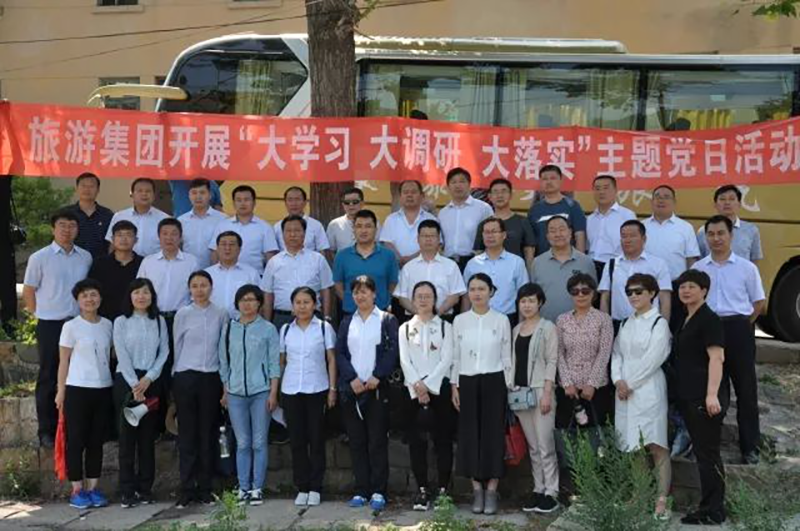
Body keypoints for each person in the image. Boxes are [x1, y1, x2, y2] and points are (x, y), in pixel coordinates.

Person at [692, 215, 766, 464]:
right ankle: (709, 445)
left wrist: (743, 324)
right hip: (709, 330)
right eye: (711, 234)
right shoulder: (698, 269)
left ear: (731, 236)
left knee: (746, 390)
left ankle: (750, 447)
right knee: (711, 388)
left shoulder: (747, 268)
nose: (716, 239)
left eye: (720, 233)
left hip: (738, 329)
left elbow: (758, 303)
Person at [23, 209, 92, 447]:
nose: (67, 230)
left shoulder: (85, 257)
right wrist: (39, 315)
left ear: (77, 230)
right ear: (53, 228)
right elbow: (29, 291)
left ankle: (73, 427)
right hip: (50, 324)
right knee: (49, 375)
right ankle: (46, 430)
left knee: (77, 375)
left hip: (78, 323)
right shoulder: (39, 257)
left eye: (72, 225)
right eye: (62, 225)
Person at [335, 275, 399, 512]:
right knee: (357, 442)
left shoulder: (386, 320)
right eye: (356, 292)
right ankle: (361, 490)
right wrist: (351, 378)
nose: (360, 296)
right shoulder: (347, 321)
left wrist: (377, 376)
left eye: (364, 291)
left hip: (376, 390)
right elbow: (340, 352)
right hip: (352, 390)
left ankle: (379, 490)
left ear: (374, 294)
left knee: (377, 441)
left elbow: (392, 351)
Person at [611, 273, 672, 519]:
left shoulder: (659, 324)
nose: (634, 296)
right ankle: (640, 495)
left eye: (639, 291)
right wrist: (618, 380)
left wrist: (630, 383)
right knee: (633, 446)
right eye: (630, 292)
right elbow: (617, 353)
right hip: (624, 392)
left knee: (656, 444)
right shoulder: (625, 323)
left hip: (648, 390)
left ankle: (661, 500)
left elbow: (654, 358)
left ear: (652, 293)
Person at [451, 273, 511, 515]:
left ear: (491, 292)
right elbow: (455, 355)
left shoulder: (501, 320)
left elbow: (506, 355)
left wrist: (508, 385)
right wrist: (454, 385)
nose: (477, 293)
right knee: (469, 435)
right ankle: (476, 490)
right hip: (466, 380)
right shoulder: (459, 321)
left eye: (482, 289)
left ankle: (492, 490)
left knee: (493, 435)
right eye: (473, 289)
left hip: (494, 381)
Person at [673, 270, 728, 525]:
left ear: (704, 290)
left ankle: (713, 511)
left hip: (705, 398)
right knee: (703, 455)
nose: (686, 290)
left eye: (692, 286)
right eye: (682, 286)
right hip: (689, 395)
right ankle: (709, 507)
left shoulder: (709, 319)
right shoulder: (686, 318)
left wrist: (712, 395)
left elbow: (717, 358)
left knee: (708, 455)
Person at [218, 285, 280, 506]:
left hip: (261, 391)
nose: (247, 304)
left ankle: (257, 488)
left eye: (252, 299)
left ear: (259, 303)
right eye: (243, 300)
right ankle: (243, 487)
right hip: (235, 393)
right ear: (237, 303)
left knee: (259, 442)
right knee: (243, 442)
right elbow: (223, 361)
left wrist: (273, 392)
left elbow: (274, 363)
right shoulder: (229, 328)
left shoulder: (268, 329)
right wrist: (225, 390)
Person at [55, 279, 113, 510]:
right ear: (78, 301)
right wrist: (61, 391)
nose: (90, 299)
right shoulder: (71, 327)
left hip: (103, 387)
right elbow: (63, 361)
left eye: (93, 295)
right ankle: (77, 489)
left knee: (96, 441)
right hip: (77, 388)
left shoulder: (108, 325)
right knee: (76, 440)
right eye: (85, 296)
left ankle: (93, 488)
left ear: (100, 298)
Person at [172, 271, 228, 509]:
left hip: (211, 377)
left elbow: (222, 348)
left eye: (203, 285)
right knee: (187, 435)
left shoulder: (221, 313)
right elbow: (177, 345)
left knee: (207, 434)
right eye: (194, 286)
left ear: (211, 287)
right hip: (186, 375)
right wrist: (176, 377)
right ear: (189, 289)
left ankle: (206, 488)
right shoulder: (183, 314)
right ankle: (186, 488)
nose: (199, 290)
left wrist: (224, 383)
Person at [398, 281, 455, 511]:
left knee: (443, 441)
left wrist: (429, 386)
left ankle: (443, 490)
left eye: (428, 296)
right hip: (412, 391)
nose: (423, 300)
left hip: (439, 389)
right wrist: (418, 386)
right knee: (416, 443)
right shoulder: (404, 328)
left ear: (435, 299)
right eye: (419, 296)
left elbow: (447, 358)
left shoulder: (445, 327)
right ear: (413, 300)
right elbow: (404, 360)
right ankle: (421, 489)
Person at [113, 278, 169, 508]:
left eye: (146, 292)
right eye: (136, 292)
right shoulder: (121, 321)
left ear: (152, 296)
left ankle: (145, 489)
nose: (141, 296)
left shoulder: (159, 321)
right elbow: (121, 353)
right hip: (127, 381)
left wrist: (149, 378)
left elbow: (164, 351)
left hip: (151, 380)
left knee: (147, 438)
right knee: (127, 439)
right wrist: (135, 384)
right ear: (130, 296)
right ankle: (127, 491)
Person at [279, 287, 337, 507]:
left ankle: (315, 487)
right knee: (297, 440)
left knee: (316, 439)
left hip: (317, 388)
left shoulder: (323, 328)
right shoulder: (286, 330)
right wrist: (276, 390)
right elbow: (282, 362)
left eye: (306, 302)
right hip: (291, 389)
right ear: (292, 306)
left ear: (315, 305)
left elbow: (331, 359)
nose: (302, 306)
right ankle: (302, 486)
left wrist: (332, 388)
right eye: (298, 302)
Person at [510, 283, 559, 515]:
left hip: (541, 391)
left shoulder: (548, 328)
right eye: (523, 301)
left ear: (540, 303)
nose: (527, 305)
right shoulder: (516, 329)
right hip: (520, 394)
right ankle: (538, 488)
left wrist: (547, 392)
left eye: (531, 300)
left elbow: (552, 361)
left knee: (545, 444)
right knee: (533, 446)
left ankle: (552, 492)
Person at [555, 273, 614, 431]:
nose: (580, 295)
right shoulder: (562, 320)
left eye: (585, 291)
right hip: (568, 389)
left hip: (596, 387)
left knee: (597, 432)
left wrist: (592, 384)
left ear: (593, 293)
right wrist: (567, 383)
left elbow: (604, 353)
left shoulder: (604, 319)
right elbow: (559, 353)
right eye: (575, 292)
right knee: (568, 434)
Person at [261, 215, 334, 331]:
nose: (292, 234)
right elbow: (268, 294)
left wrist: (326, 317)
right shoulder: (273, 262)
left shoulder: (318, 259)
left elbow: (326, 289)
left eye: (297, 230)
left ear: (304, 233)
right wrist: (267, 323)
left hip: (312, 318)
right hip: (282, 317)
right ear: (282, 234)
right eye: (288, 231)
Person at [643, 185, 701, 329]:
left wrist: (689, 287)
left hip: (676, 286)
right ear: (651, 201)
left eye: (666, 197)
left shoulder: (685, 227)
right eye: (657, 197)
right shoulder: (641, 226)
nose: (661, 200)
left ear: (674, 202)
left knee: (675, 328)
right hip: (646, 287)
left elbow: (691, 260)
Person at [599, 220, 672, 331]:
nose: (627, 240)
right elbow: (605, 298)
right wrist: (605, 328)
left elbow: (665, 299)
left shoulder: (658, 264)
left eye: (632, 236)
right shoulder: (611, 264)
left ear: (644, 239)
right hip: (619, 326)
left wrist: (663, 328)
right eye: (624, 236)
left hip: (649, 326)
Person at [333, 210, 399, 317]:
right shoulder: (342, 256)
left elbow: (392, 283)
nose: (363, 230)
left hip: (380, 312)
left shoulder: (388, 256)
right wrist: (350, 301)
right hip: (351, 313)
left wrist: (384, 300)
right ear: (353, 230)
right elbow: (338, 284)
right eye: (359, 226)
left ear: (375, 229)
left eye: (368, 226)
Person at [394, 220, 465, 320]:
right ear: (418, 239)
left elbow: (455, 295)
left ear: (439, 239)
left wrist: (437, 314)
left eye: (432, 236)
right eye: (424, 236)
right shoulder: (408, 267)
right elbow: (402, 297)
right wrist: (418, 314)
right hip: (414, 319)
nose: (428, 239)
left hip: (443, 318)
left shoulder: (451, 266)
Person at [462, 217, 529, 323]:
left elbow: (523, 295)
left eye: (494, 232)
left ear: (504, 235)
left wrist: (521, 325)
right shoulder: (473, 264)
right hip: (478, 319)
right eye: (486, 232)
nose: (490, 236)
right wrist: (464, 321)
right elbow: (466, 296)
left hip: (508, 318)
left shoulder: (517, 262)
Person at [531, 216, 596, 322]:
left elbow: (593, 295)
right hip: (545, 325)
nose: (558, 234)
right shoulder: (537, 262)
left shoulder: (586, 262)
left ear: (570, 232)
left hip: (579, 325)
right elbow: (533, 296)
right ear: (547, 236)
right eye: (553, 231)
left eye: (562, 229)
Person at [210, 185, 278, 272]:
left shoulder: (265, 227)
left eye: (246, 200)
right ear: (234, 203)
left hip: (255, 276)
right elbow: (214, 253)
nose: (242, 203)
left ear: (254, 202)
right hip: (225, 274)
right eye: (239, 200)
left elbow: (270, 257)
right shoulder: (223, 226)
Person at [438, 167, 493, 271]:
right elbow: (440, 242)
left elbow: (492, 236)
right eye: (453, 182)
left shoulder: (483, 208)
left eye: (462, 181)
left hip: (475, 262)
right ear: (448, 187)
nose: (458, 185)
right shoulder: (443, 213)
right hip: (448, 263)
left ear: (469, 185)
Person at [474, 178, 536, 271]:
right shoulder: (484, 224)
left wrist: (529, 274)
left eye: (504, 191)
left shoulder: (523, 221)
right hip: (490, 273)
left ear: (511, 195)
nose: (500, 195)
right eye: (495, 192)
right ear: (490, 196)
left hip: (516, 272)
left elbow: (529, 251)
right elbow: (478, 252)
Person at [527, 164, 587, 256]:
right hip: (542, 260)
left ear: (560, 180)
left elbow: (579, 235)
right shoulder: (534, 209)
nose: (549, 182)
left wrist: (580, 260)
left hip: (568, 260)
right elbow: (530, 240)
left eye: (553, 178)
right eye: (545, 179)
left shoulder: (572, 206)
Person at [89, 221, 143, 321]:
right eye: (119, 235)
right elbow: (91, 290)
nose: (124, 239)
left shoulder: (143, 263)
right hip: (104, 318)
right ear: (112, 239)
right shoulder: (99, 263)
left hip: (135, 318)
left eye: (129, 235)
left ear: (136, 240)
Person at [586, 175, 636, 280]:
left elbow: (634, 245)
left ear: (615, 190)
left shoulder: (627, 215)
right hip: (591, 266)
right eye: (597, 189)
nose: (601, 192)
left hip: (616, 266)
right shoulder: (589, 219)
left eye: (606, 188)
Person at [697, 185, 763, 263]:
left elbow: (755, 259)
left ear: (739, 204)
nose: (727, 203)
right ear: (715, 205)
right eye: (722, 199)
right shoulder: (703, 231)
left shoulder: (751, 230)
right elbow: (700, 260)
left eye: (732, 199)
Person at [105, 178, 169, 257]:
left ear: (154, 195)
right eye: (140, 191)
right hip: (125, 262)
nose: (144, 194)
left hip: (154, 263)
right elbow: (112, 245)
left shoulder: (164, 219)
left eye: (148, 191)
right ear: (132, 194)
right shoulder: (119, 216)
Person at [380, 180, 437, 267]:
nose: (409, 195)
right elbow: (386, 243)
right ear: (400, 196)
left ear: (422, 196)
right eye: (405, 192)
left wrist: (411, 260)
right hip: (397, 267)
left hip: (424, 267)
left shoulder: (431, 219)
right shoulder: (391, 219)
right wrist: (399, 259)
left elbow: (435, 245)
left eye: (413, 192)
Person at [205, 231, 260, 318]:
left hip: (242, 322)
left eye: (232, 244)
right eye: (223, 244)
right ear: (217, 248)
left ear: (239, 249)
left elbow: (259, 301)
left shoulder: (251, 273)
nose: (227, 248)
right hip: (212, 321)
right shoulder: (207, 274)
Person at [177, 178, 226, 269]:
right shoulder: (181, 221)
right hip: (187, 270)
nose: (198, 197)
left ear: (210, 195)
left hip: (215, 270)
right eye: (194, 193)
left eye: (202, 193)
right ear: (189, 196)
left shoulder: (222, 219)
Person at [66, 172, 114, 258]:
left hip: (100, 262)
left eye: (91, 186)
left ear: (98, 190)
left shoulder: (107, 214)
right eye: (83, 186)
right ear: (77, 188)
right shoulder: (66, 213)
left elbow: (112, 241)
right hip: (72, 260)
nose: (87, 189)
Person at [274, 187, 330, 253]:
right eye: (290, 200)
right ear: (285, 203)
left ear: (305, 202)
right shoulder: (277, 226)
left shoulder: (316, 225)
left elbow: (322, 250)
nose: (294, 204)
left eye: (297, 199)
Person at [327, 187, 366, 254]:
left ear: (362, 203)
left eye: (355, 202)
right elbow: (330, 250)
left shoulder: (374, 222)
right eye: (347, 202)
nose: (351, 205)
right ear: (343, 204)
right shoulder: (334, 224)